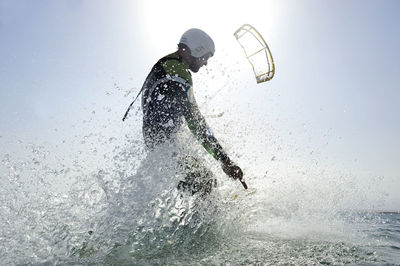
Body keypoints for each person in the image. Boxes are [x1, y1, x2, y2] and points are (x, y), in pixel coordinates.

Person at [124, 28, 246, 196]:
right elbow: (197, 124)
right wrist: (225, 160)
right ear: (194, 50)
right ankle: (188, 216)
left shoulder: (166, 64)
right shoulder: (177, 72)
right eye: (205, 57)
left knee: (202, 180)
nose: (205, 63)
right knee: (206, 181)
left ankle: (176, 204)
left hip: (158, 142)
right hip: (164, 143)